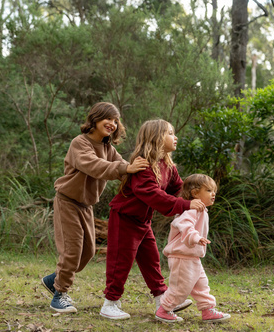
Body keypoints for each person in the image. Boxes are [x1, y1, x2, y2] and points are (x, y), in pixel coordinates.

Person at [41, 102, 149, 313]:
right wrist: (125, 168)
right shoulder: (79, 143)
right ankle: (60, 294)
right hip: (67, 201)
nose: (112, 123)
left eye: (116, 120)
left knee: (88, 251)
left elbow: (123, 169)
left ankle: (54, 279)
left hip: (85, 205)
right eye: (108, 118)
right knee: (72, 251)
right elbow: (94, 166)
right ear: (95, 119)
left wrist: (144, 174)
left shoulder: (109, 149)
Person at [100, 119, 206, 320]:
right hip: (125, 218)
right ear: (157, 138)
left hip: (142, 221)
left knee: (151, 260)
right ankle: (110, 303)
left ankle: (163, 300)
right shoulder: (144, 164)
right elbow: (153, 195)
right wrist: (185, 205)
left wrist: (196, 197)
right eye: (170, 133)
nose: (175, 137)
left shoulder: (167, 164)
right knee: (120, 262)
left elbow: (178, 189)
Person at [155, 174, 231, 323]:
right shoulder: (191, 210)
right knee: (180, 288)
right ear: (195, 193)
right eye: (209, 190)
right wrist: (196, 238)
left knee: (202, 285)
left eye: (214, 190)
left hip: (192, 257)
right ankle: (164, 310)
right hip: (182, 256)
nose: (213, 194)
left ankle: (208, 310)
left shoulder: (201, 210)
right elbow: (184, 225)